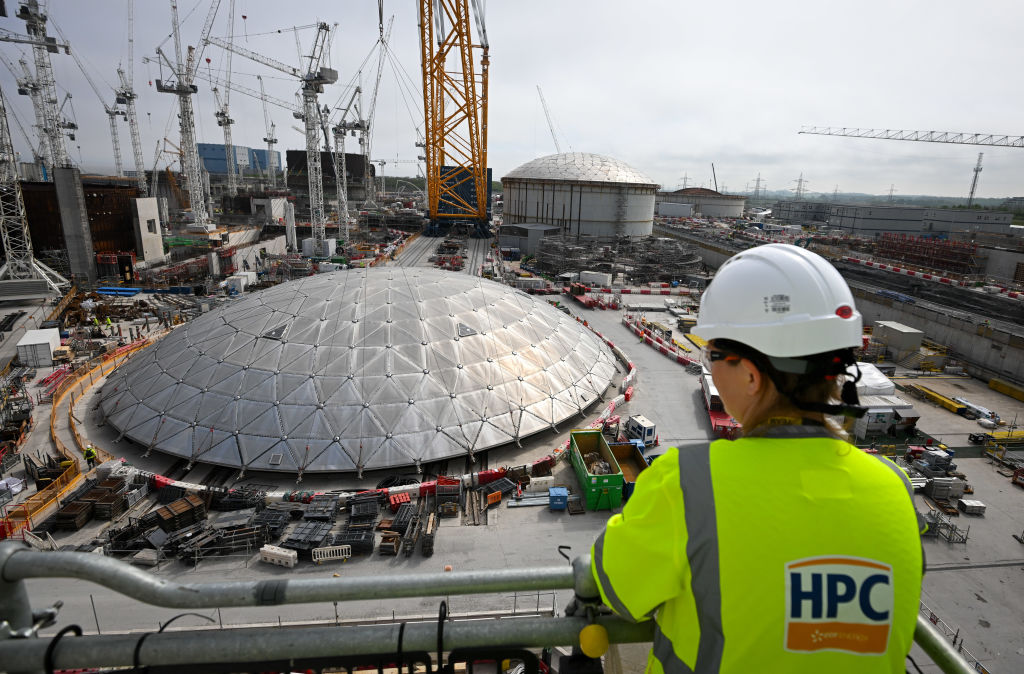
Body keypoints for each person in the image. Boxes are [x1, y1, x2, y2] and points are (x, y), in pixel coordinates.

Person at [590, 244, 924, 673]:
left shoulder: (690, 483)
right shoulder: (894, 488)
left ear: (750, 375)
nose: (707, 365)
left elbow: (615, 585)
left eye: (711, 354)